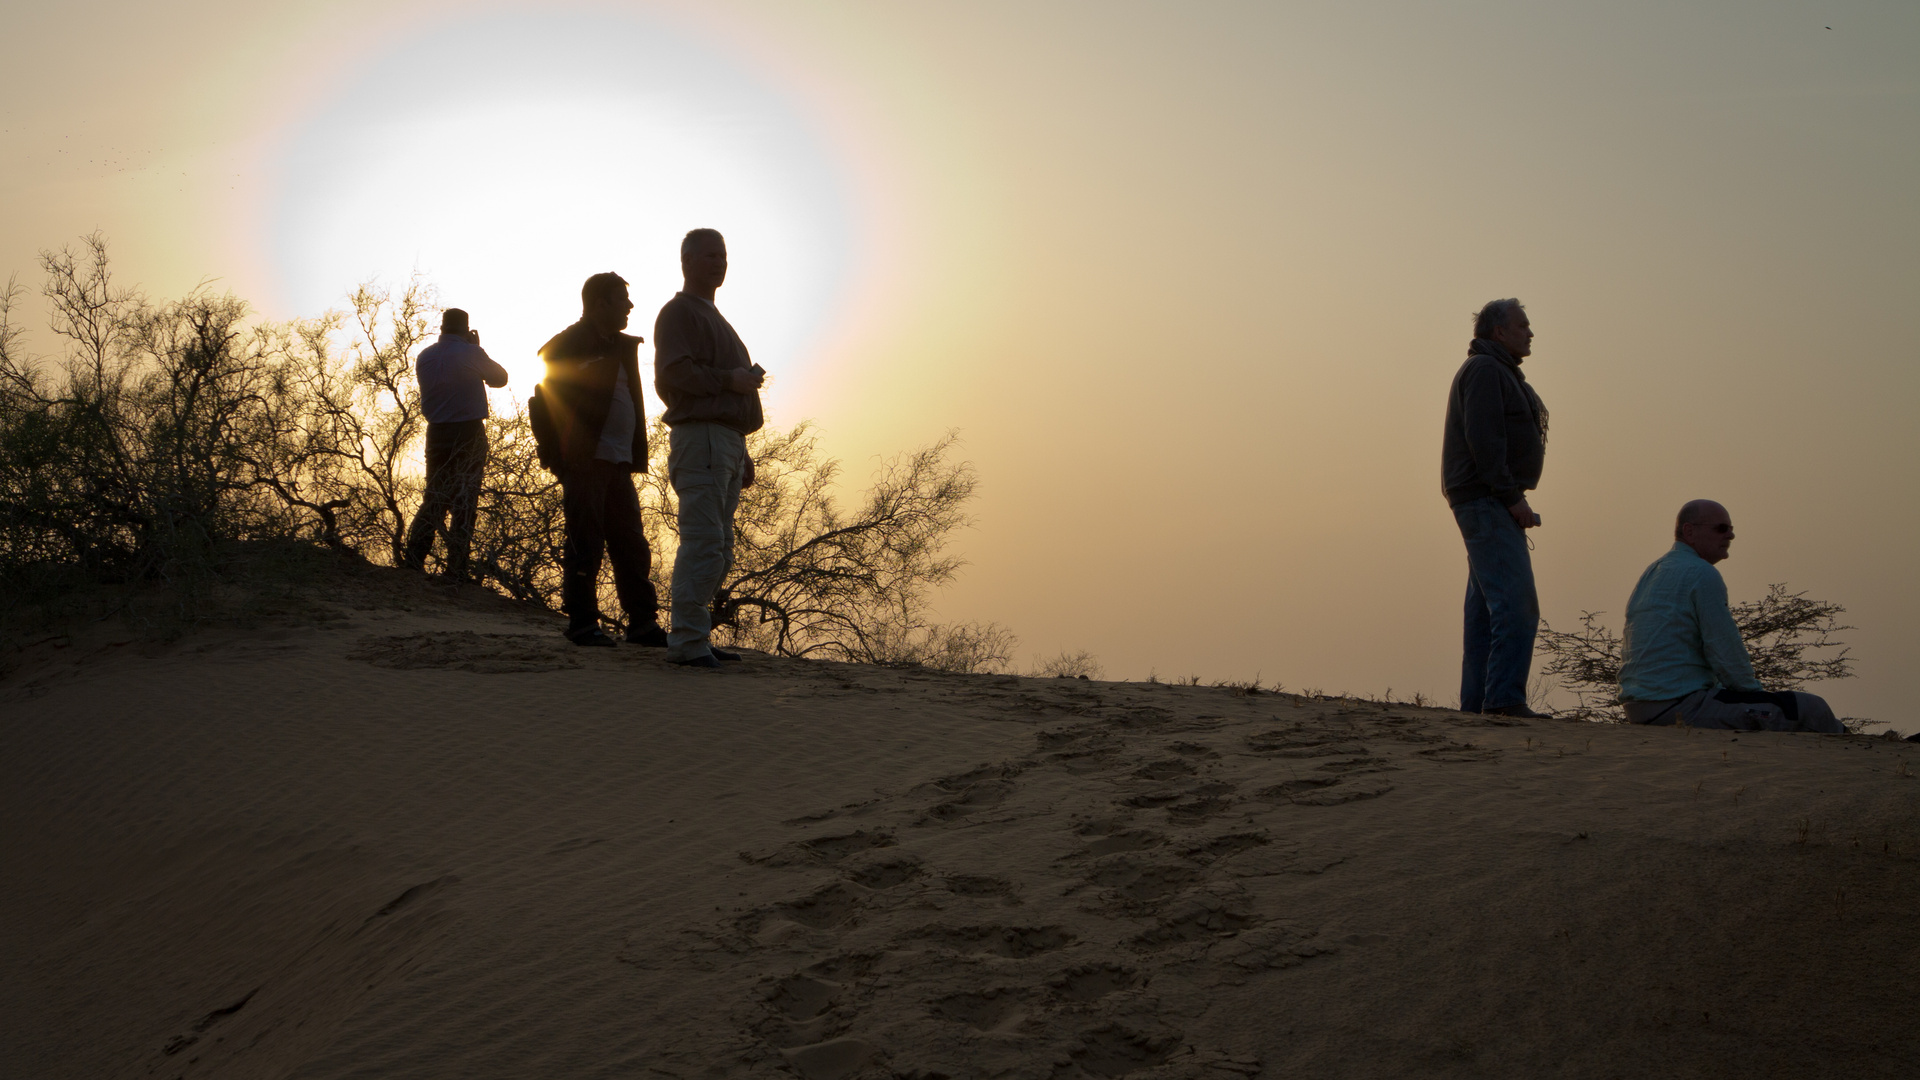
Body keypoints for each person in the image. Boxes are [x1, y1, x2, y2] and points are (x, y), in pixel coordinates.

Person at [1616, 500, 1844, 732]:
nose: (1731, 535)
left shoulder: (1654, 570)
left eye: (1731, 528)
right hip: (1679, 706)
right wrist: (1754, 696)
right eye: (1721, 528)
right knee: (1808, 708)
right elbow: (1723, 648)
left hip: (1640, 707)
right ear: (1689, 531)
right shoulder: (1702, 573)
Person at [653, 229, 764, 669]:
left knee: (720, 547)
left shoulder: (713, 317)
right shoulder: (679, 312)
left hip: (724, 443)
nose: (719, 263)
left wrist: (742, 450)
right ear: (687, 260)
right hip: (701, 438)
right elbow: (673, 375)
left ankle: (695, 636)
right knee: (703, 544)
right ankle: (687, 642)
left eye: (723, 255)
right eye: (709, 255)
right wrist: (729, 380)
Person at [536, 273, 666, 648]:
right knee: (585, 542)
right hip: (586, 462)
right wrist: (560, 457)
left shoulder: (619, 345)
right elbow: (545, 402)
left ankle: (642, 624)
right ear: (599, 304)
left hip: (617, 462)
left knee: (631, 545)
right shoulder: (569, 345)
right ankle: (581, 623)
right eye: (621, 298)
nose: (630, 305)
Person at [1441, 298, 1550, 718]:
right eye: (1523, 325)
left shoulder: (1493, 370)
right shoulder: (1486, 370)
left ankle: (1478, 705)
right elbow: (1484, 442)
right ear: (1499, 332)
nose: (1530, 332)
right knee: (1515, 603)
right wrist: (1512, 498)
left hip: (1483, 497)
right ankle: (1503, 700)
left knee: (1486, 611)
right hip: (1486, 498)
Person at [405, 308, 509, 580]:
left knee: (435, 497)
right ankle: (456, 568)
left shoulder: (425, 356)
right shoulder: (471, 353)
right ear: (466, 330)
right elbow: (500, 379)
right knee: (465, 499)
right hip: (468, 432)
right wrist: (477, 348)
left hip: (436, 432)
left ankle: (413, 560)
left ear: (442, 328)